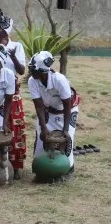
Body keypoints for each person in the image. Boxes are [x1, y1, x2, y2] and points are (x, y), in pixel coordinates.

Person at [28, 51, 80, 181]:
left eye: (32, 69)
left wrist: (65, 129)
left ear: (42, 71)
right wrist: (44, 127)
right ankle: (40, 171)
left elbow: (67, 106)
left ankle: (67, 170)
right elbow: (38, 106)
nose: (30, 72)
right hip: (48, 110)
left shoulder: (59, 80)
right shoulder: (32, 81)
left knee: (67, 139)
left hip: (67, 110)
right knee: (42, 138)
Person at [0, 9, 27, 176]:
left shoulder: (16, 46)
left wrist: (13, 57)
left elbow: (21, 70)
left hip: (12, 94)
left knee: (15, 128)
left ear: (4, 31)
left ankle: (15, 166)